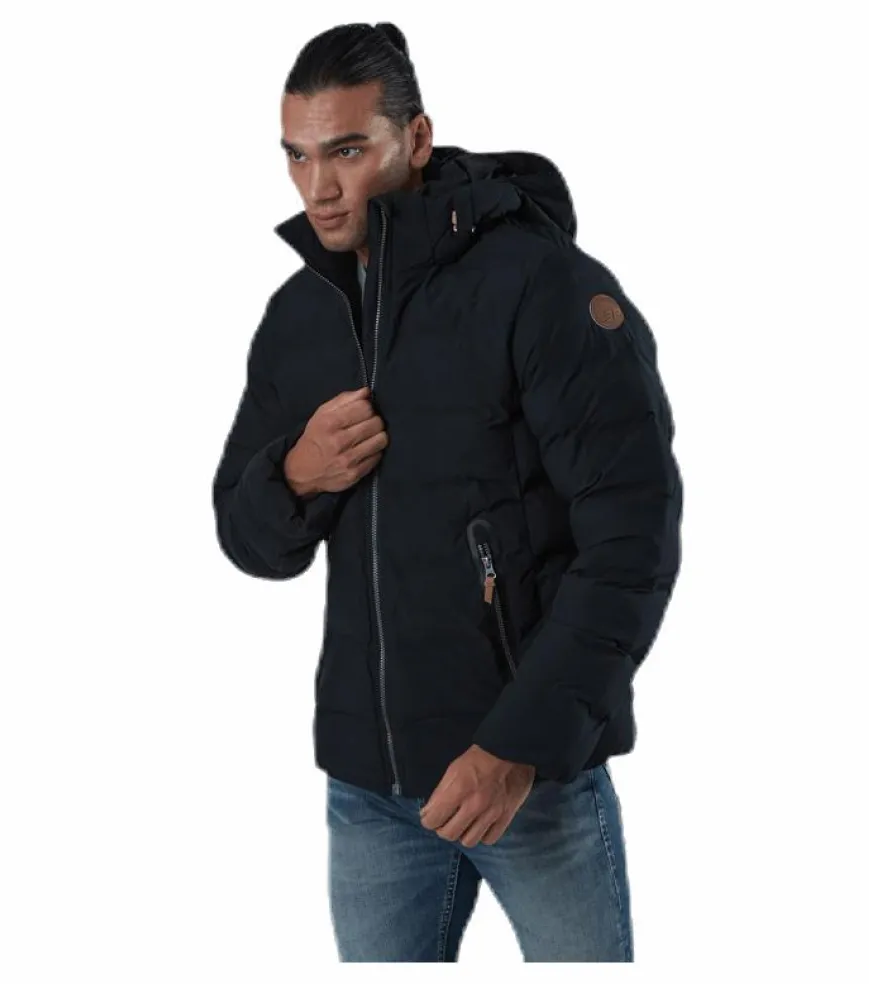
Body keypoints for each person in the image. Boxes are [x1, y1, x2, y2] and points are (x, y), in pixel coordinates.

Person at [211, 20, 683, 963]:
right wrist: (295, 474)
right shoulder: (303, 314)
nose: (318, 187)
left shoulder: (541, 287)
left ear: (416, 139)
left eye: (348, 151)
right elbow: (246, 535)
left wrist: (520, 746)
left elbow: (633, 539)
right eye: (298, 156)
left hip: (530, 783)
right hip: (369, 792)